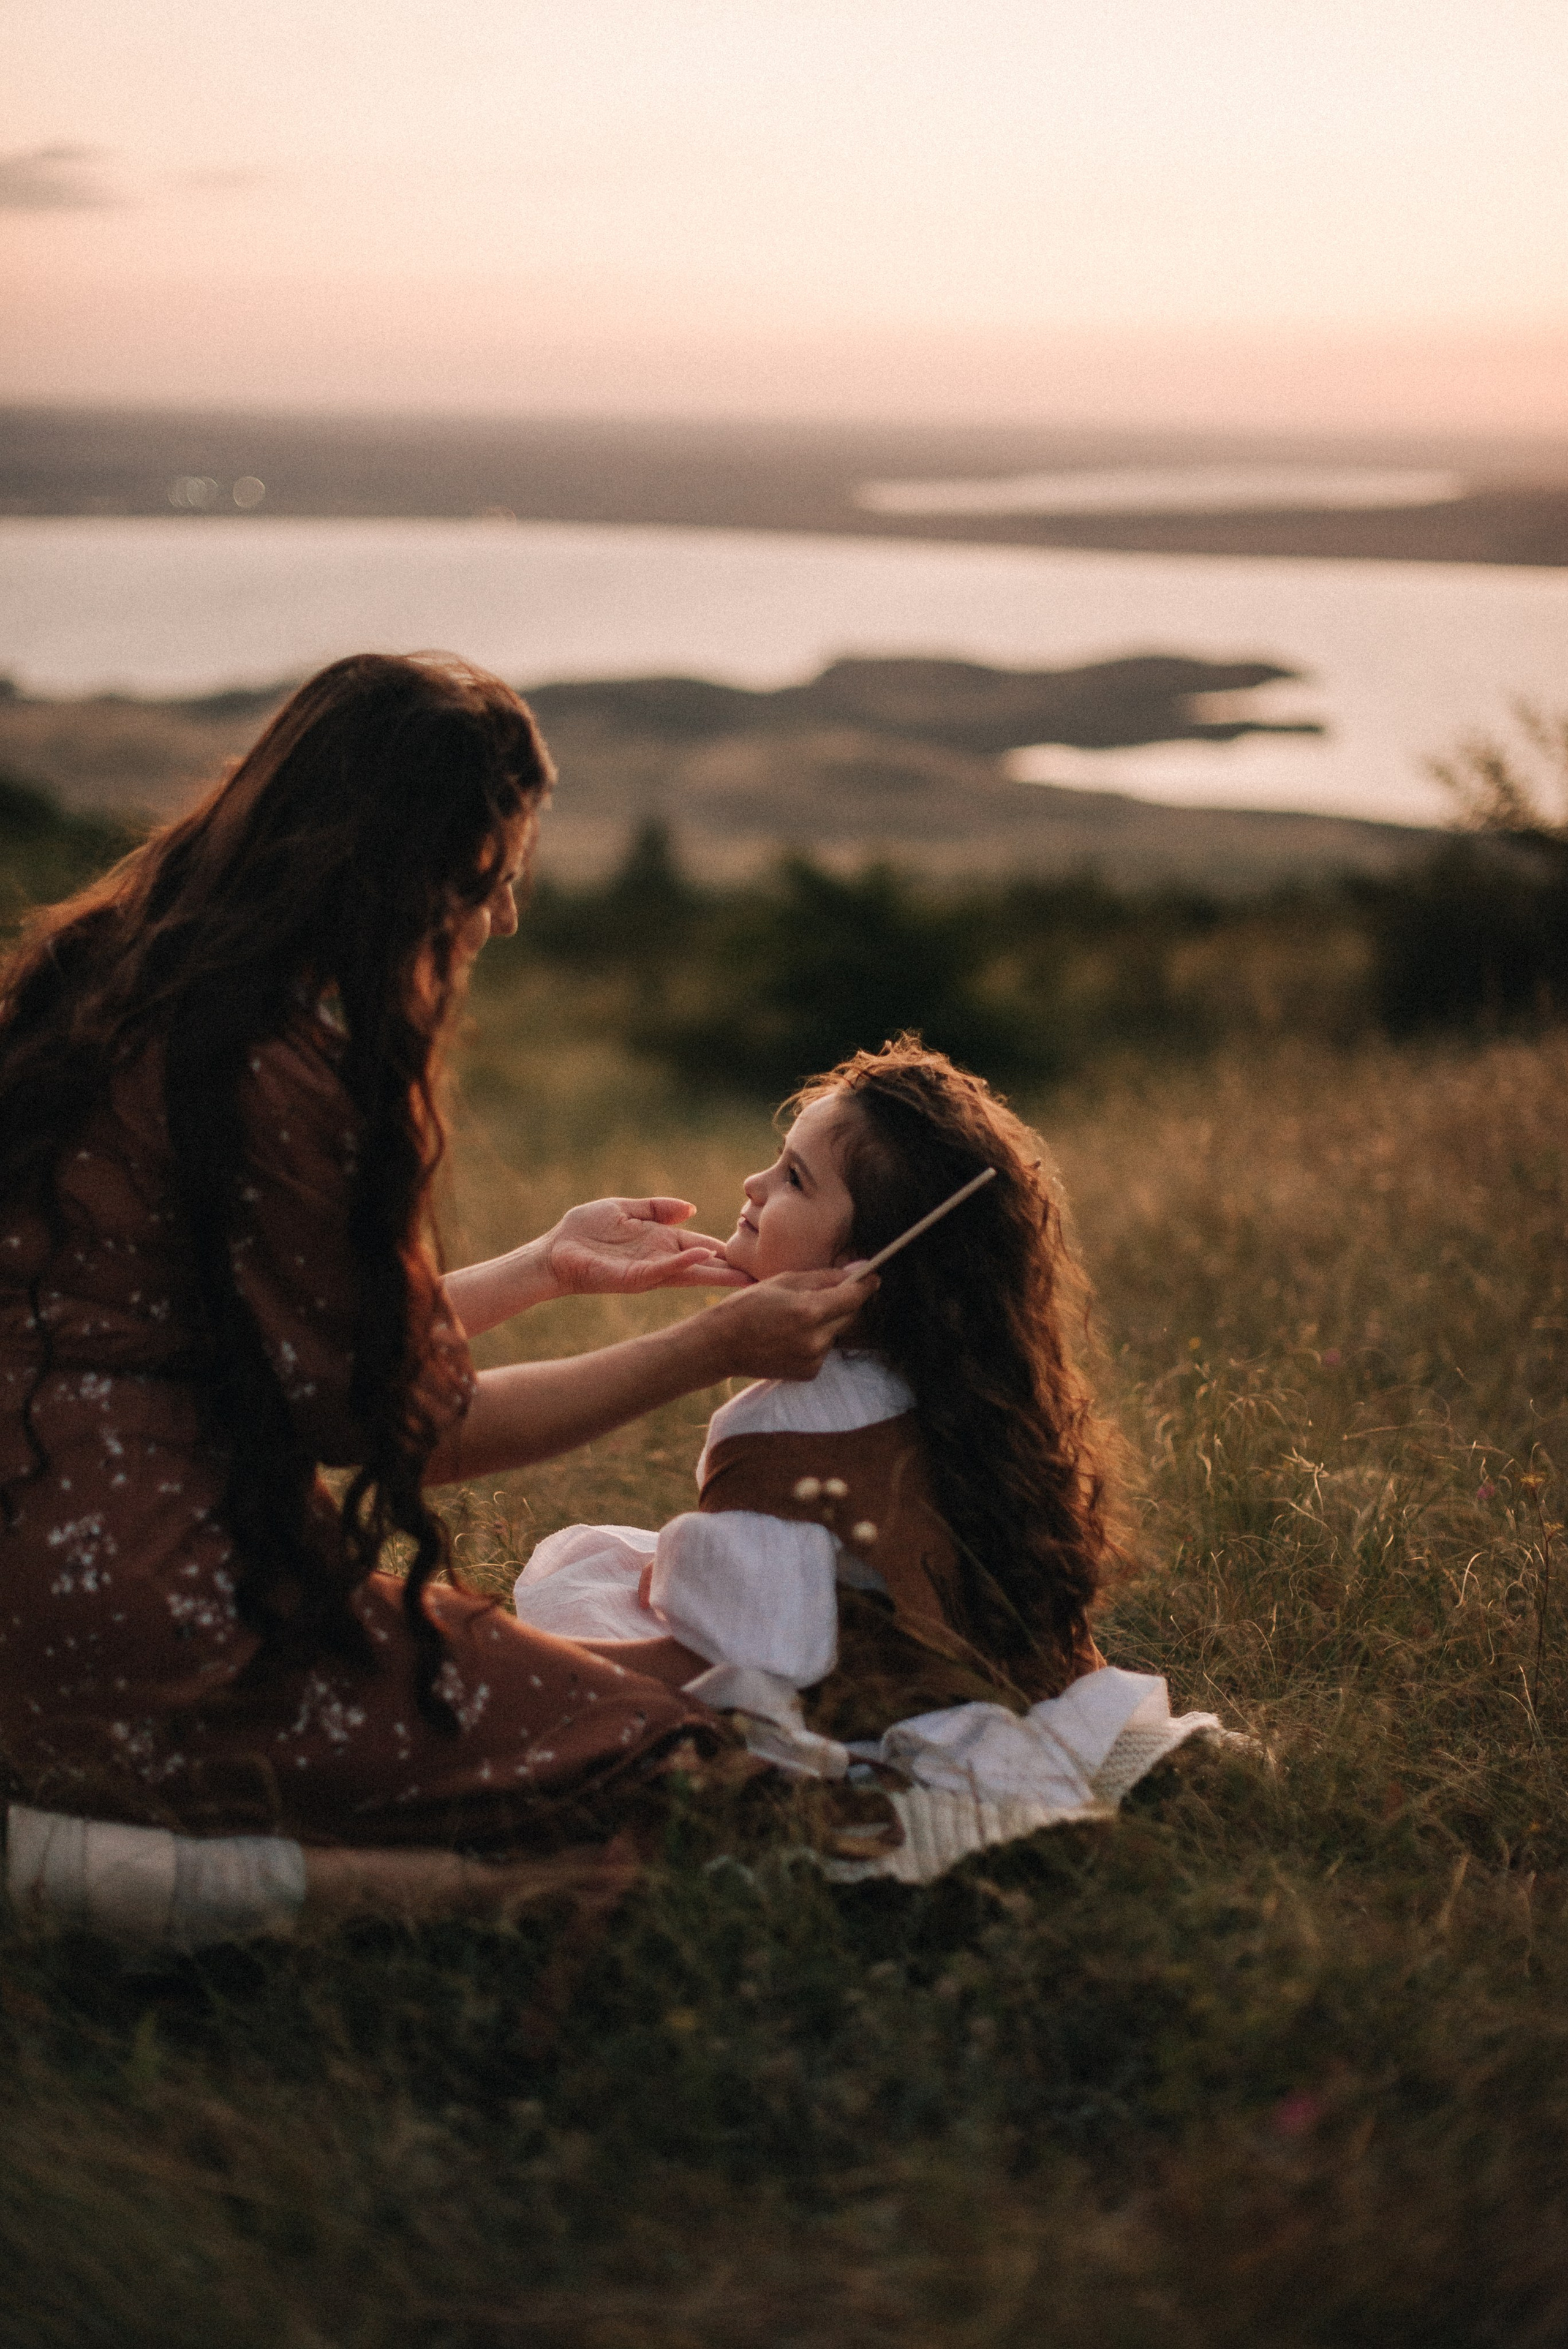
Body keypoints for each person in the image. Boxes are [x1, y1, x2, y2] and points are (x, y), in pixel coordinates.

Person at [0, 652, 875, 1869]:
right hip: (148, 1607)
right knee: (669, 1775)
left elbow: (277, 1351)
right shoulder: (273, 1071)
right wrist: (713, 1345)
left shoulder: (110, 983)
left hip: (31, 1571)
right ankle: (205, 1883)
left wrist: (541, 1269)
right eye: (490, 876)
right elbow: (409, 1429)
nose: (504, 915)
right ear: (401, 867)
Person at [514, 1039, 1122, 1741]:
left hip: (842, 1721)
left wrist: (523, 1663)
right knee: (607, 1565)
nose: (753, 1183)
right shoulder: (956, 1390)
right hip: (928, 1682)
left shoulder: (779, 1430)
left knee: (564, 1607)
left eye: (794, 1179)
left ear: (866, 1264)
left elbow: (731, 1666)